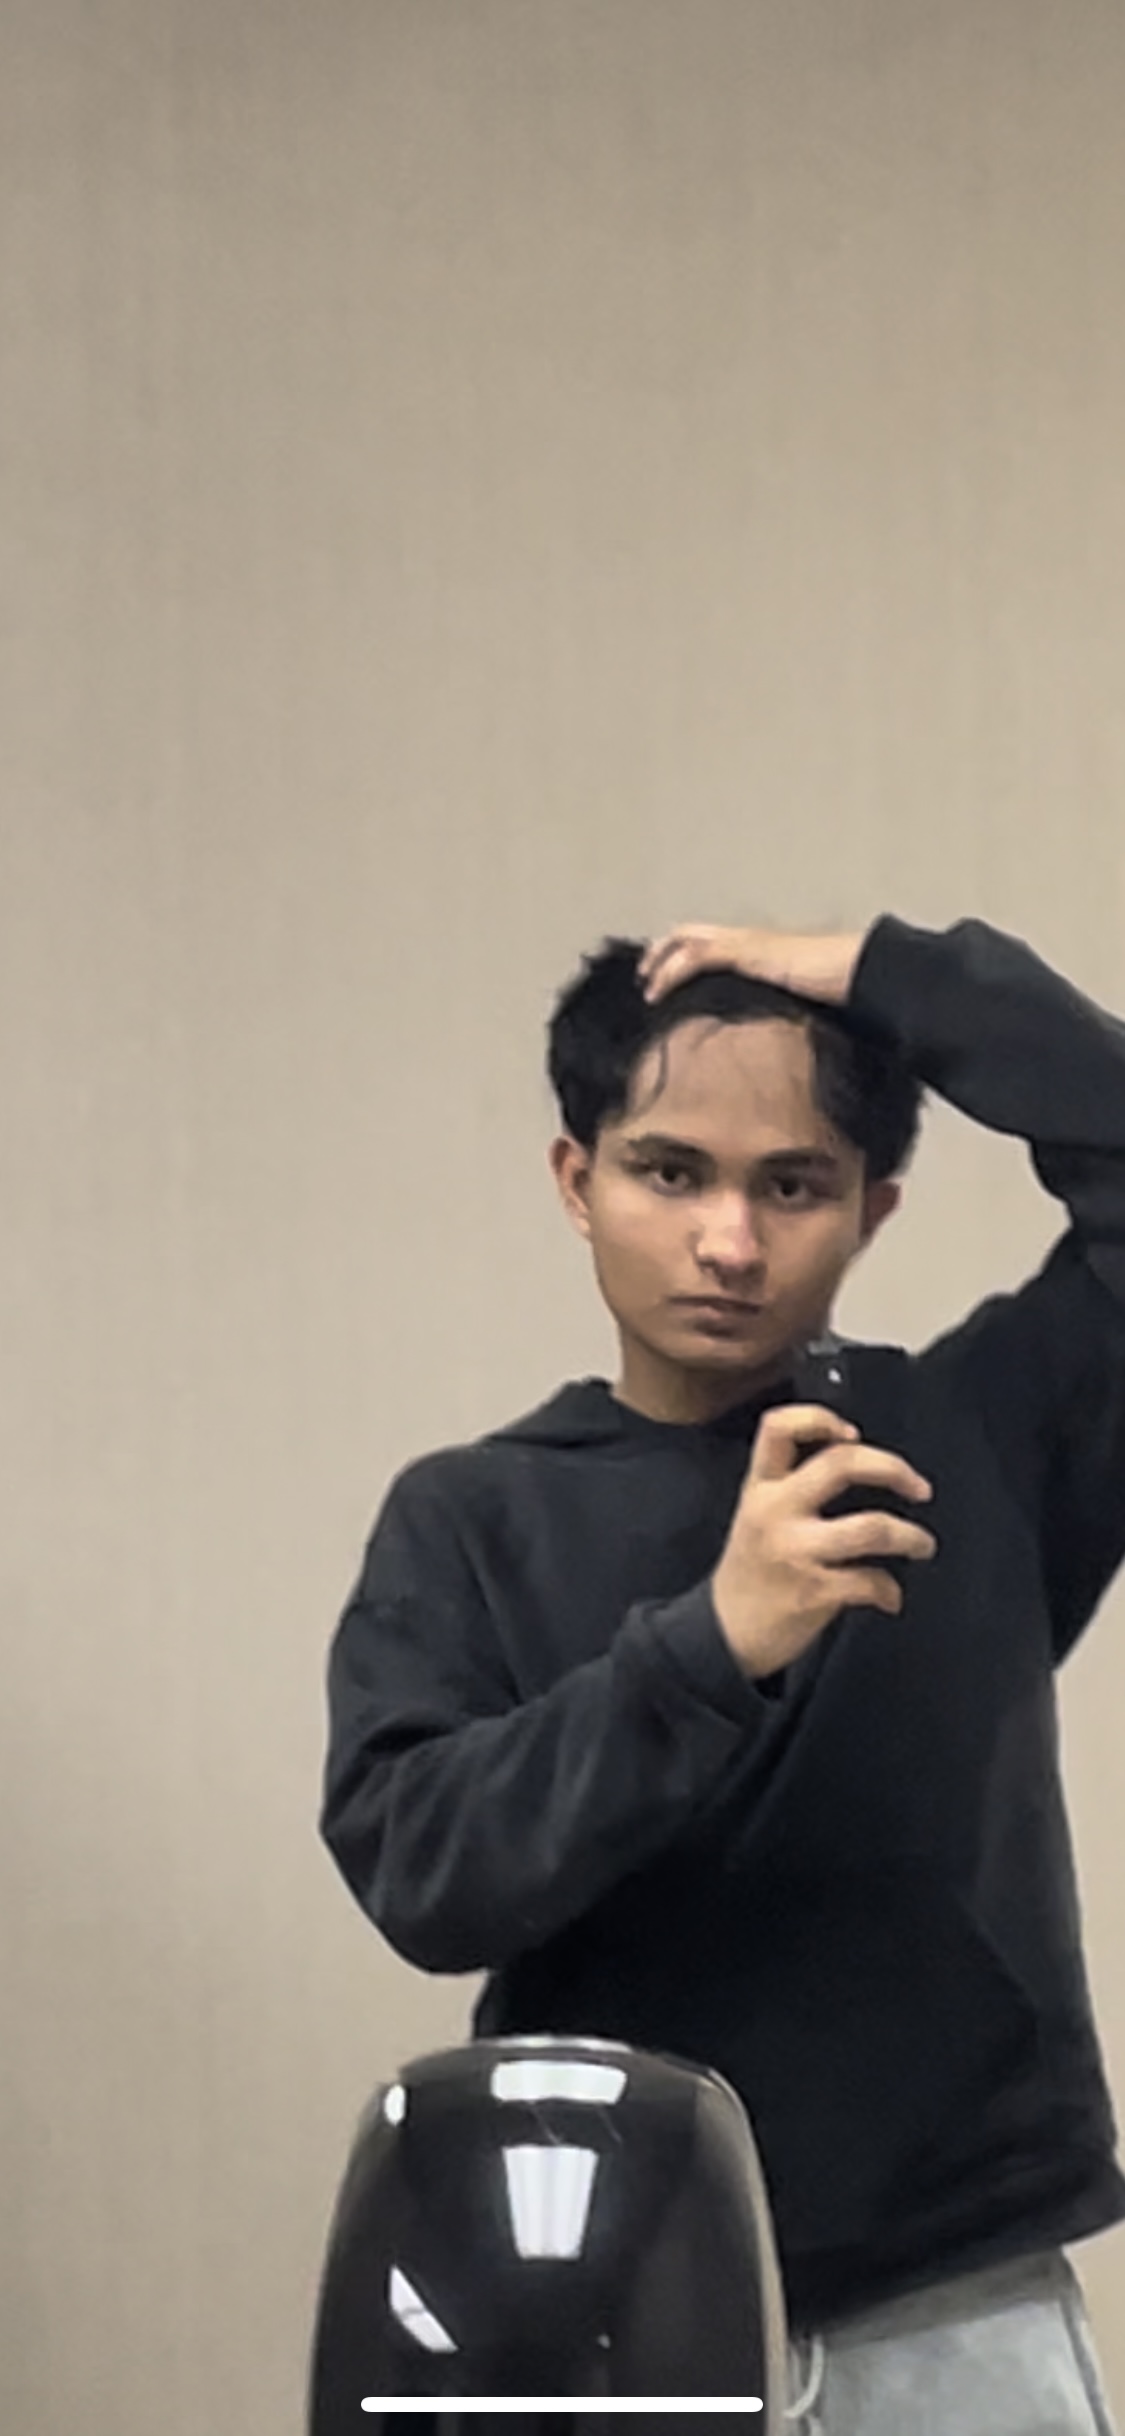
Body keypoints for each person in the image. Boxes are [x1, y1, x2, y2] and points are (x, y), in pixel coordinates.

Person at [320, 910, 1125, 2433]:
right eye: (670, 1172)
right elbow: (423, 1870)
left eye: (793, 1185)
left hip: (955, 2299)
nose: (730, 1243)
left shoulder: (976, 1442)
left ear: (874, 1209)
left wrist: (904, 975)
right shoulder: (473, 1514)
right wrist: (710, 1646)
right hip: (589, 2297)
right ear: (578, 1179)